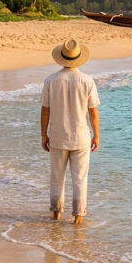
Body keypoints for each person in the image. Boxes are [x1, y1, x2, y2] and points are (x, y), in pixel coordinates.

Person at [41, 38, 100, 225]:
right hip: (81, 137)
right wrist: (96, 135)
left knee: (57, 178)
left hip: (58, 136)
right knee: (80, 179)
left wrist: (44, 134)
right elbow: (93, 112)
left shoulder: (51, 80)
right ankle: (78, 217)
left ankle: (57, 214)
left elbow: (45, 109)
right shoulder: (87, 80)